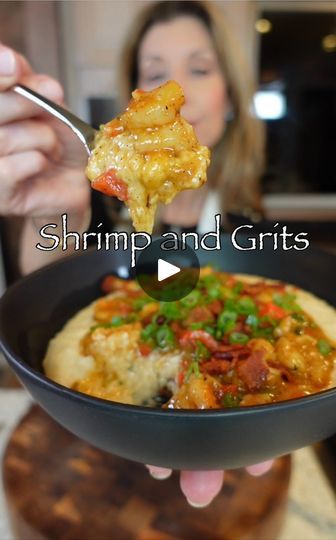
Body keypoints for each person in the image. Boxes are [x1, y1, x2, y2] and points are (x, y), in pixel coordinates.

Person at [0, 1, 272, 507]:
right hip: (83, 460)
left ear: (230, 94)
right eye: (155, 74)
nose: (181, 92)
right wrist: (48, 216)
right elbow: (39, 307)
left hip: (230, 474)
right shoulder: (96, 204)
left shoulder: (253, 233)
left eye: (199, 68)